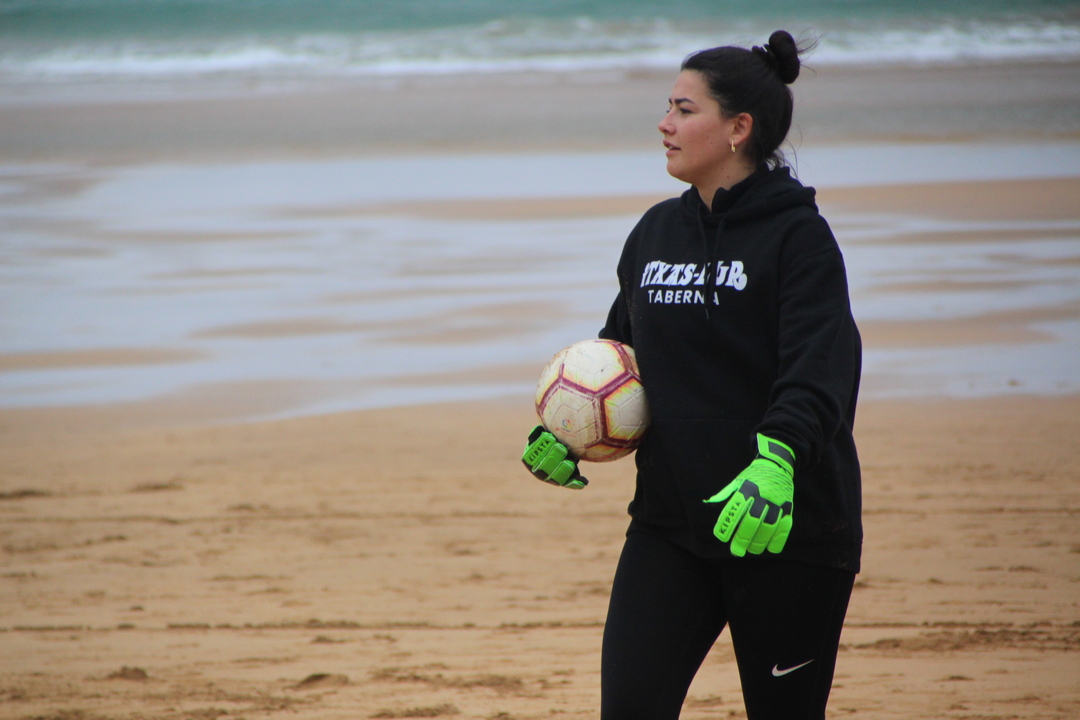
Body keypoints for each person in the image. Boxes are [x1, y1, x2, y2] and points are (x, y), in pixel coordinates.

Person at [521, 30, 862, 720]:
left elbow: (820, 368)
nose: (664, 124)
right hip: (669, 527)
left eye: (683, 109)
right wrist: (570, 430)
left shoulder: (798, 238)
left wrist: (778, 463)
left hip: (780, 525)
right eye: (667, 107)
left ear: (739, 128)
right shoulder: (654, 234)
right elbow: (621, 360)